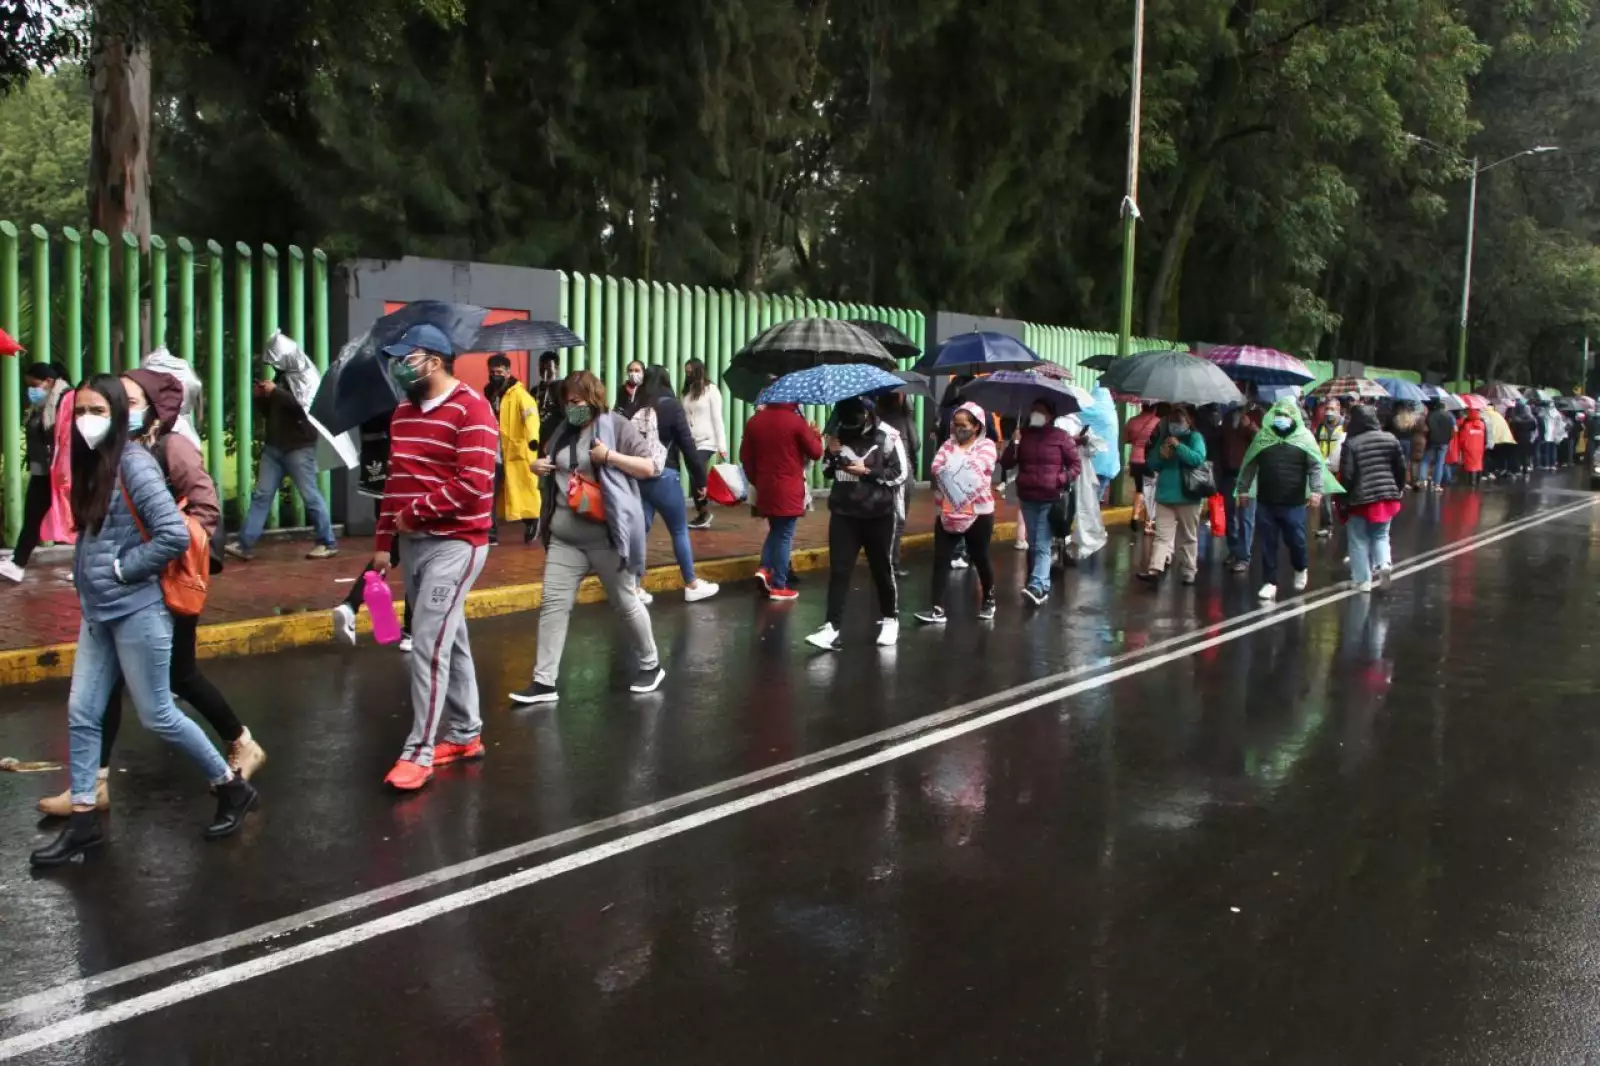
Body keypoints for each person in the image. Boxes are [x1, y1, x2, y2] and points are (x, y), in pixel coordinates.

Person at [30, 374, 257, 867]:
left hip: (138, 611)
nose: (88, 420)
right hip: (99, 613)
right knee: (83, 713)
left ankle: (230, 787)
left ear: (119, 415)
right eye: (81, 411)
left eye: (99, 410)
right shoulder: (96, 466)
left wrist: (120, 569)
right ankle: (85, 821)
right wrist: (88, 578)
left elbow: (173, 535)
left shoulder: (133, 463)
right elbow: (94, 534)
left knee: (158, 715)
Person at [371, 324, 497, 791]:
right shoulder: (402, 413)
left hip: (457, 543)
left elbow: (474, 484)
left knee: (427, 644)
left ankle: (419, 751)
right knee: (451, 638)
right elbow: (395, 481)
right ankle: (466, 734)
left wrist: (414, 514)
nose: (401, 367)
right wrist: (384, 540)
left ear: (437, 360)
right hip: (415, 543)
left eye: (410, 357)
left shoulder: (473, 410)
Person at [511, 370, 664, 705]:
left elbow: (650, 467)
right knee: (553, 605)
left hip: (606, 536)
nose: (571, 407)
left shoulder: (616, 426)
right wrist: (540, 468)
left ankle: (651, 663)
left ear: (593, 399)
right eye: (567, 401)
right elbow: (555, 466)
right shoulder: (563, 431)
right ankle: (544, 681)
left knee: (625, 602)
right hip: (565, 538)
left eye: (577, 401)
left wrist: (609, 457)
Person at [806, 397, 907, 651]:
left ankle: (890, 618)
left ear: (867, 414)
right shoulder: (838, 431)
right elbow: (829, 471)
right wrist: (830, 451)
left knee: (881, 568)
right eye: (845, 419)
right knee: (839, 570)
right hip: (844, 511)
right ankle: (831, 627)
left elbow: (901, 473)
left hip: (879, 514)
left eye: (855, 419)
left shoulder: (888, 436)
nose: (849, 425)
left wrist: (868, 472)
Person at [226, 343, 338, 561]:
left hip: (299, 448)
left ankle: (327, 541)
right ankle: (244, 543)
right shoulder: (282, 377)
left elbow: (302, 407)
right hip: (274, 447)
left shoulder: (306, 377)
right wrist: (261, 398)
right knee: (262, 495)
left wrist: (275, 392)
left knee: (310, 495)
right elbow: (274, 412)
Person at [631, 365, 718, 603]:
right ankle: (691, 583)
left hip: (638, 475)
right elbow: (688, 446)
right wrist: (700, 480)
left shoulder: (636, 405)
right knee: (679, 530)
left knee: (639, 532)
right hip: (664, 475)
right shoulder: (672, 405)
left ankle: (634, 586)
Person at [332, 414, 415, 652]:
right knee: (411, 549)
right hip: (396, 472)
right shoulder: (395, 403)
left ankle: (352, 605)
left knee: (393, 548)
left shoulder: (362, 401)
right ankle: (410, 629)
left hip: (374, 470)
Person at [1235, 397, 1329, 601]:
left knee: (1297, 541)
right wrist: (1243, 490)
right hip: (1266, 501)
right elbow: (1250, 464)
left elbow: (1315, 466)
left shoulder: (1304, 438)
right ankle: (1269, 581)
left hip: (1293, 503)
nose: (1281, 419)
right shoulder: (1263, 437)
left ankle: (1300, 567)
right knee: (1267, 543)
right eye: (1278, 415)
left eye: (1286, 415)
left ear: (1293, 416)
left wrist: (1316, 491)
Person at [916, 402, 997, 624]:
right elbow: (936, 468)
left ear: (976, 426)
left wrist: (954, 467)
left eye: (964, 425)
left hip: (979, 513)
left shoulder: (987, 446)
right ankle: (936, 608)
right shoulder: (947, 445)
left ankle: (989, 599)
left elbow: (979, 468)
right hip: (948, 512)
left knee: (980, 557)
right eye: (956, 424)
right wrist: (959, 466)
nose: (959, 428)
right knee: (941, 559)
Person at [741, 392, 823, 602]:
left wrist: (757, 480)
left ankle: (765, 568)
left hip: (765, 487)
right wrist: (816, 436)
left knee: (776, 529)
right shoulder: (796, 422)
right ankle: (779, 584)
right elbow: (815, 452)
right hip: (789, 488)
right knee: (785, 534)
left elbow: (745, 458)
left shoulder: (755, 422)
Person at [999, 398, 1080, 605]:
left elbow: (1075, 465)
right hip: (1027, 496)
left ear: (1050, 416)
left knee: (1042, 543)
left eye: (1040, 411)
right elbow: (1007, 463)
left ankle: (1038, 585)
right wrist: (1013, 443)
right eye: (1033, 410)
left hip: (1049, 498)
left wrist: (1059, 480)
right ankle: (1040, 583)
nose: (1035, 414)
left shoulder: (1061, 437)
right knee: (1034, 543)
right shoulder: (1023, 436)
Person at [0, 362, 75, 583]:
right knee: (32, 516)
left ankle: (84, 564)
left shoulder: (66, 399)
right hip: (42, 472)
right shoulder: (41, 406)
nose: (31, 391)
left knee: (82, 520)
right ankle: (17, 563)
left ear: (49, 382)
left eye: (34, 385)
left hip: (62, 473)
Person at [1338, 404, 1408, 593]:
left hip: (1360, 499)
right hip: (1386, 496)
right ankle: (1384, 563)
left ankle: (1363, 581)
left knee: (1358, 539)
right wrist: (1399, 488)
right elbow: (1400, 468)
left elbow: (1347, 475)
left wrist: (1343, 498)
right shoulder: (1390, 439)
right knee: (1381, 534)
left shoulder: (1351, 443)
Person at [1138, 404, 1208, 585]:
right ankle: (1155, 569)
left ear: (1189, 421)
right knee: (1162, 536)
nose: (1175, 424)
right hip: (1165, 496)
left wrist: (1179, 448)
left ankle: (1189, 570)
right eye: (1172, 421)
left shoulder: (1195, 437)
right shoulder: (1165, 438)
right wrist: (1161, 455)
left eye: (1179, 420)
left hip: (1188, 496)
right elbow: (1152, 464)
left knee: (1188, 536)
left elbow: (1197, 459)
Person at [486, 354, 543, 545]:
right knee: (491, 491)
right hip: (494, 450)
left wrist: (533, 439)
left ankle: (532, 520)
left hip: (515, 450)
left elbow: (531, 418)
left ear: (508, 372)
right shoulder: (490, 393)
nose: (495, 376)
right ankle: (491, 532)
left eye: (499, 372)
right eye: (492, 373)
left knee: (520, 492)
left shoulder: (520, 395)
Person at [876, 390, 920, 577]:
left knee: (881, 520)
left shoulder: (876, 419)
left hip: (878, 473)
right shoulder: (904, 418)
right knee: (898, 521)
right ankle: (892, 564)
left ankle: (880, 561)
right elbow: (916, 444)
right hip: (901, 474)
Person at [681, 358, 727, 530]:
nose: (688, 375)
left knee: (698, 468)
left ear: (699, 371)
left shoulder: (711, 390)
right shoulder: (687, 392)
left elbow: (717, 419)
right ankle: (702, 512)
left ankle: (705, 508)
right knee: (694, 476)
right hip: (690, 442)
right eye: (686, 372)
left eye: (690, 371)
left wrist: (722, 446)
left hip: (708, 441)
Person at [1220, 399, 1262, 572]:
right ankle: (1234, 549)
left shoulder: (1259, 415)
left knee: (1246, 517)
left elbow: (1263, 440)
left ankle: (1244, 556)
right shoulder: (1229, 416)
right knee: (1231, 516)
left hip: (1249, 474)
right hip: (1229, 472)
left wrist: (1251, 426)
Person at [1124, 403, 1161, 533]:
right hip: (1149, 460)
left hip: (1134, 459)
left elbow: (1126, 438)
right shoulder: (1158, 422)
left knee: (1139, 489)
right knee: (1150, 491)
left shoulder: (1132, 421)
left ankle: (1135, 516)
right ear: (1155, 408)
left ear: (1142, 407)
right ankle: (1148, 524)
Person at [1313, 400, 1347, 536]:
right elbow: (1316, 443)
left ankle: (1345, 524)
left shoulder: (1346, 426)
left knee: (1342, 499)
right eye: (1327, 408)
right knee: (1325, 497)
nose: (1329, 412)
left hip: (1341, 467)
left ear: (1339, 409)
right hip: (1325, 467)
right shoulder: (1322, 426)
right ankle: (1327, 525)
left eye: (1332, 409)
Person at [1423, 400, 1455, 491]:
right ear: (1444, 407)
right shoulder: (1449, 416)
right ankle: (1436, 484)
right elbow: (1454, 430)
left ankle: (1422, 481)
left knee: (1425, 460)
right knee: (1440, 463)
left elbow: (1426, 428)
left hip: (1432, 441)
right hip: (1444, 442)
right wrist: (1449, 439)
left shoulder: (1431, 415)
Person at [1458, 407, 1488, 487]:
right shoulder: (1482, 425)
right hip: (1480, 448)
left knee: (1470, 465)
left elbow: (1462, 438)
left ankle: (1471, 482)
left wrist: (1461, 447)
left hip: (1469, 448)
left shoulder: (1467, 425)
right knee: (1478, 463)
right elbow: (1485, 437)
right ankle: (1478, 481)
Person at [1507, 401, 1537, 477]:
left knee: (1516, 454)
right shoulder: (1530, 419)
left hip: (1517, 437)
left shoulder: (1514, 419)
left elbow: (1511, 428)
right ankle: (1525, 469)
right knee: (1525, 454)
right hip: (1527, 438)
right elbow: (1533, 427)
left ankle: (1517, 469)